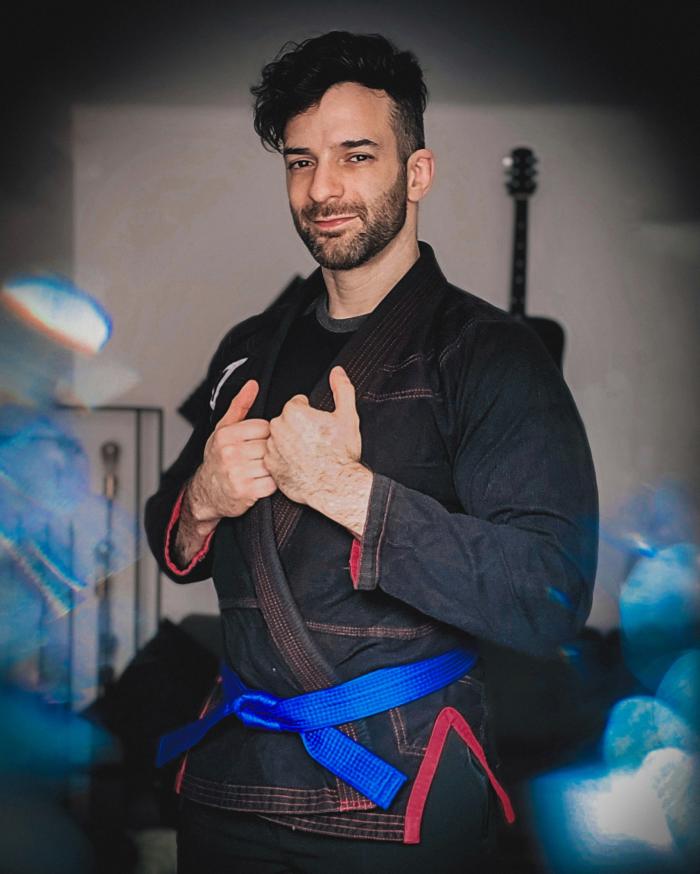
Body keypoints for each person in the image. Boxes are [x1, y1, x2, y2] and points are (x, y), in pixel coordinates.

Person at [145, 30, 598, 874]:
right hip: (231, 780)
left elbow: (549, 595)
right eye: (300, 161)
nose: (323, 188)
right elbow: (164, 527)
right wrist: (201, 500)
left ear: (416, 173)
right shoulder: (248, 347)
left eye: (356, 155)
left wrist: (345, 490)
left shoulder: (491, 355)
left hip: (396, 784)